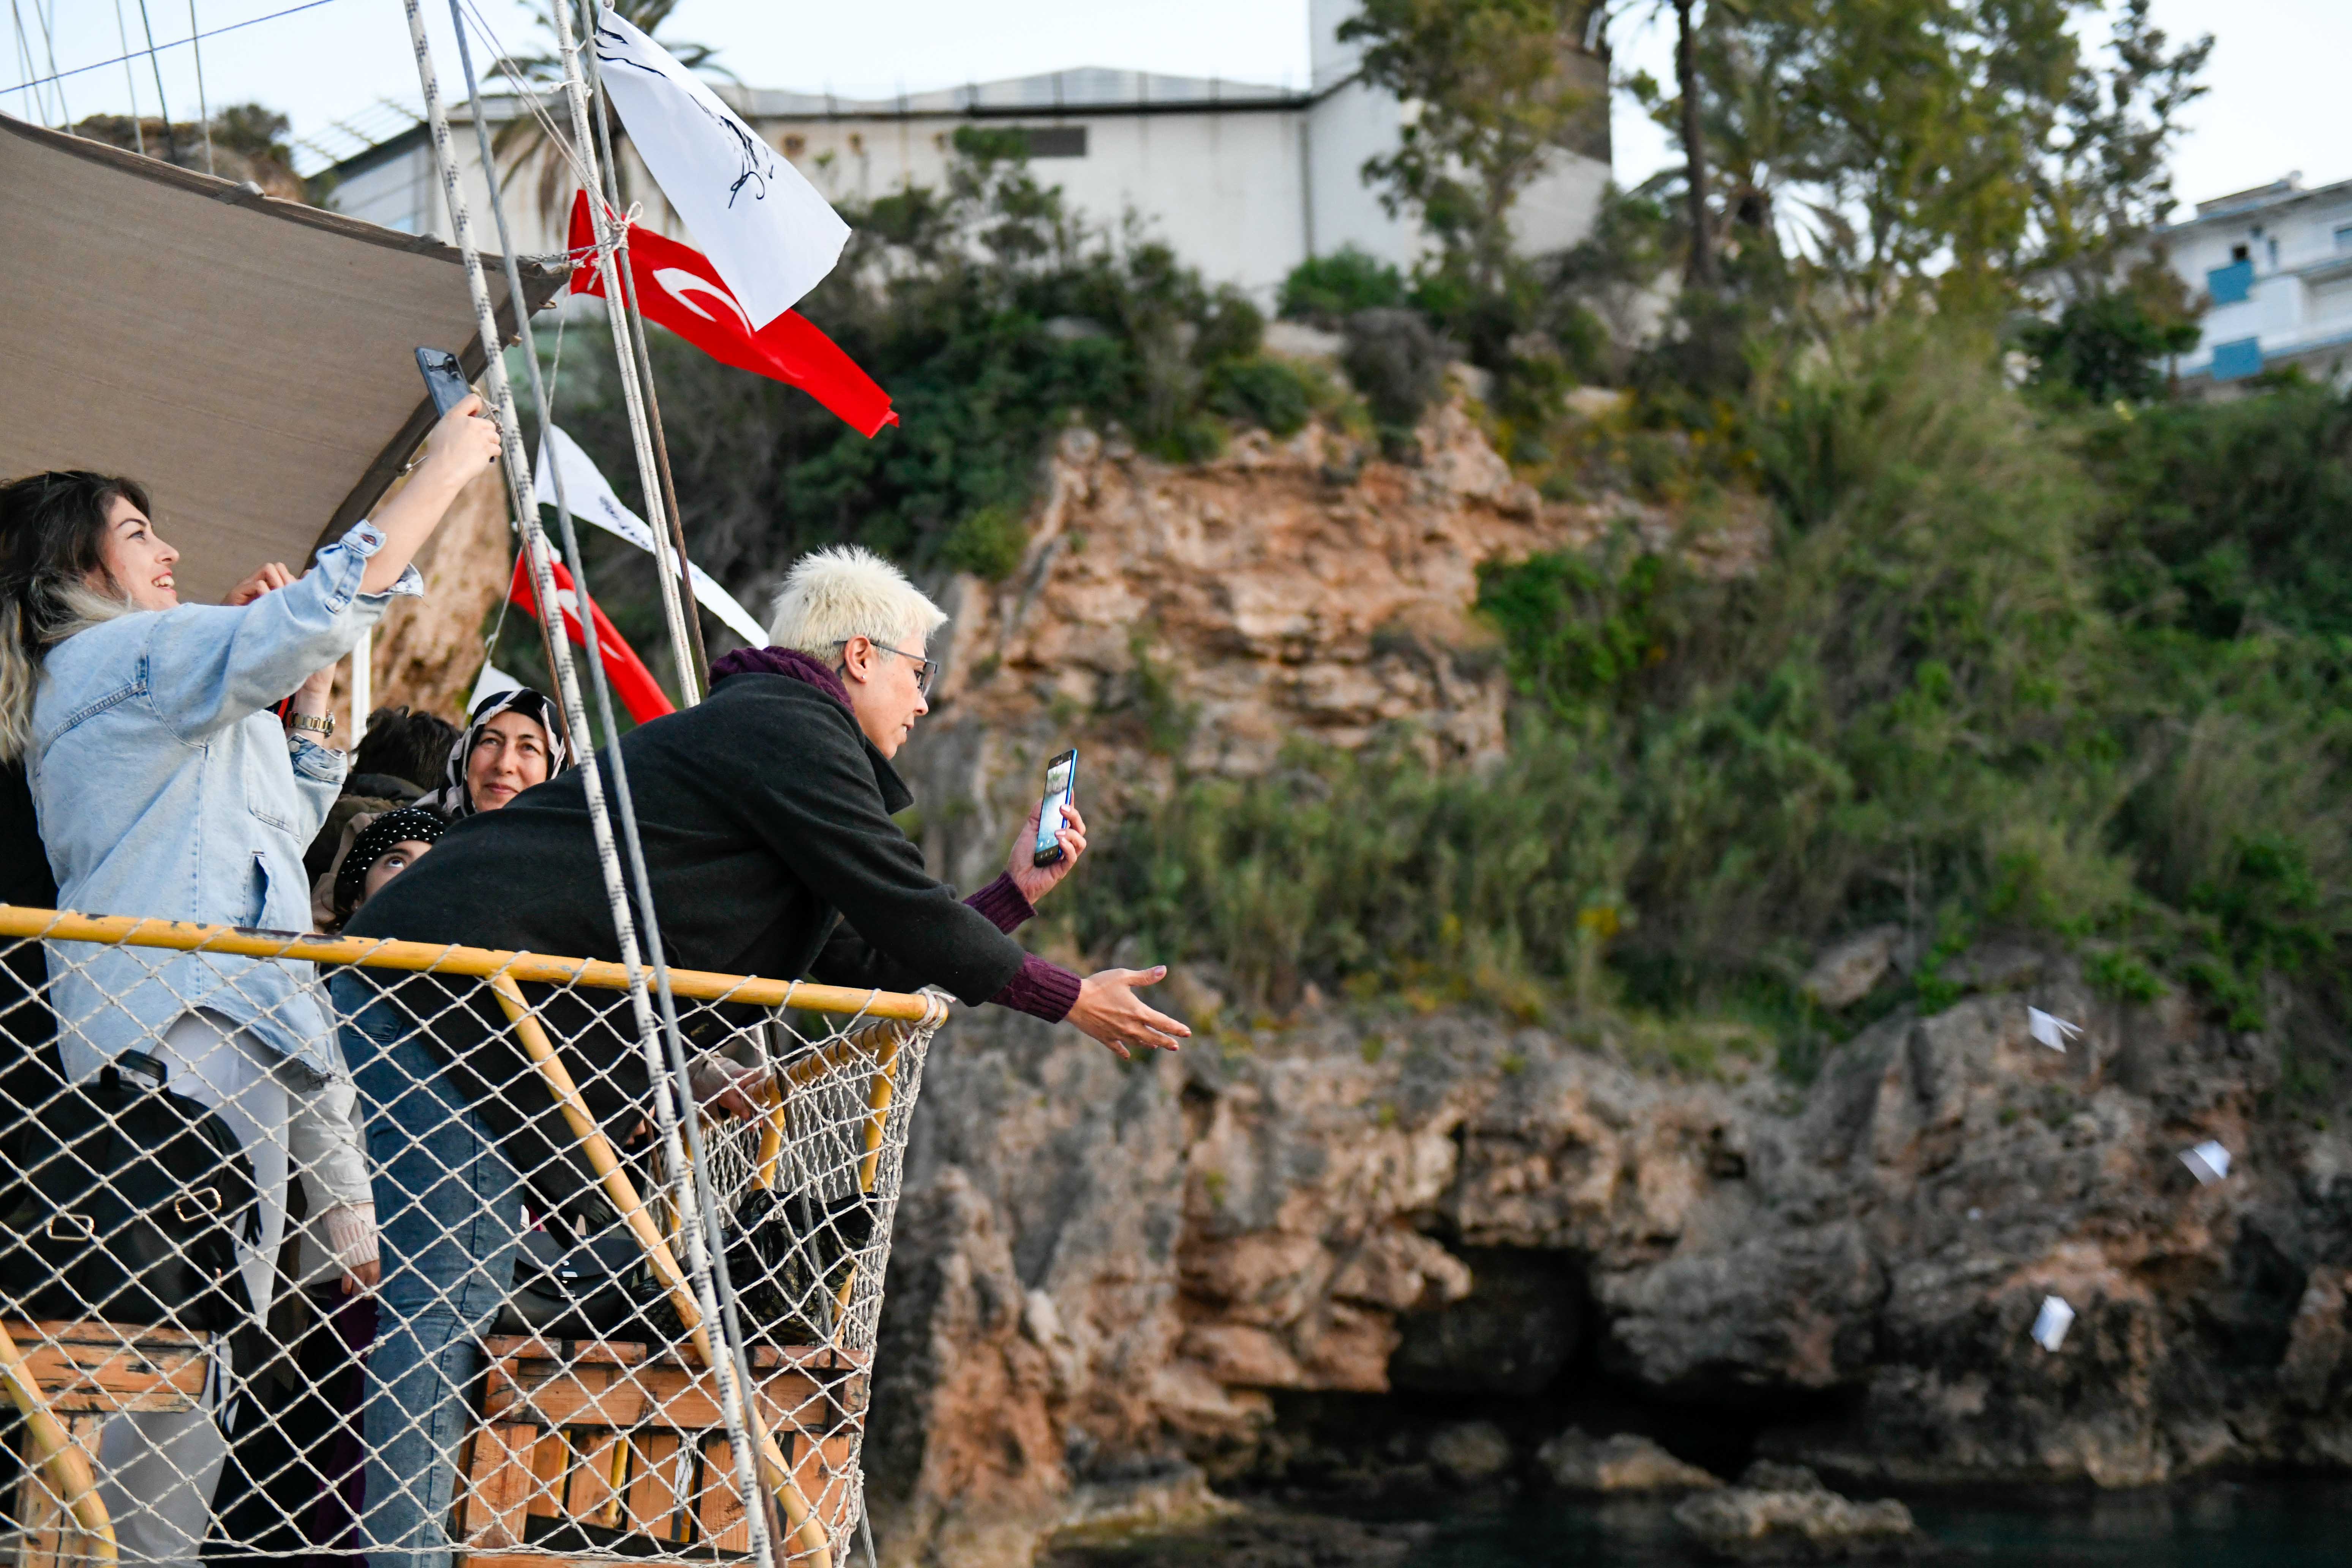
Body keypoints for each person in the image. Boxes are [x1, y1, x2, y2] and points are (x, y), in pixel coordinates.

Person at [336, 544, 1188, 1568]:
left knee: (463, 1301)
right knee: (448, 1303)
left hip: (474, 1010)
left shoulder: (776, 744)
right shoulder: (789, 729)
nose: (926, 700)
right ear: (860, 656)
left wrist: (1016, 899)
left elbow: (871, 958)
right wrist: (1063, 994)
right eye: (922, 673)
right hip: (452, 999)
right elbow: (904, 911)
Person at [0, 394, 501, 1567]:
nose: (168, 549)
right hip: (192, 1027)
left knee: (179, 1338)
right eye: (136, 532)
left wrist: (306, 713)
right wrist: (443, 467)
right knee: (173, 1346)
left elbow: (266, 834)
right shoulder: (118, 656)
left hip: (191, 1022)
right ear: (74, 563)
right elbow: (327, 603)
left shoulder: (110, 676)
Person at [417, 686, 566, 819]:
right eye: (491, 741)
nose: (504, 765)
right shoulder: (414, 835)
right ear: (466, 752)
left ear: (554, 769)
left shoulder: (568, 848)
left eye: (528, 747)